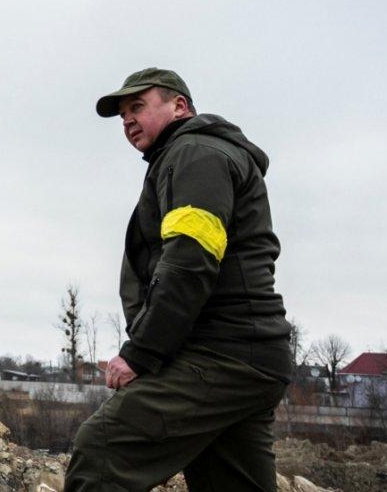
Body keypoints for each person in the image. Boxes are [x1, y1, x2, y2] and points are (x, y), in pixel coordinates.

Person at [64, 68, 292, 492]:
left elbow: (190, 260)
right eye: (122, 116)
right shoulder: (188, 156)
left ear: (179, 106)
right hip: (249, 356)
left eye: (138, 107)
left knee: (102, 450)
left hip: (222, 353)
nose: (128, 120)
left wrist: (141, 353)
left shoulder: (195, 154)